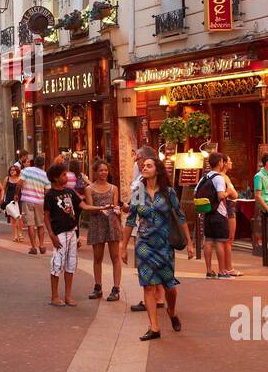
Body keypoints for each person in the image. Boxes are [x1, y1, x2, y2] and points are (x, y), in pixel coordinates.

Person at [122, 153, 192, 340]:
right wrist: (123, 247)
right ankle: (154, 327)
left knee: (170, 286)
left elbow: (181, 216)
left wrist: (190, 243)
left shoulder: (168, 193)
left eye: (149, 166)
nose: (144, 168)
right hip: (144, 244)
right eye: (143, 165)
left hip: (164, 244)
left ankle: (172, 312)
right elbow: (130, 220)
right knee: (148, 286)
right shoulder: (138, 192)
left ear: (157, 171)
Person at [129, 145, 167, 310]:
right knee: (154, 266)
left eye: (138, 159)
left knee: (148, 267)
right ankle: (157, 298)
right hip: (153, 230)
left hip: (148, 231)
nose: (137, 163)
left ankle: (153, 299)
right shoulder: (143, 181)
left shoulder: (144, 183)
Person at [81, 160, 124, 301]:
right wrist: (103, 208)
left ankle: (116, 289)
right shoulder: (89, 189)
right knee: (97, 258)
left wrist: (117, 210)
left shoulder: (114, 188)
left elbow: (116, 206)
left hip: (112, 223)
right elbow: (90, 210)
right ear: (95, 172)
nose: (104, 173)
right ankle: (98, 287)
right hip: (97, 223)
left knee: (115, 257)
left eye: (106, 170)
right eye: (101, 170)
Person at [42, 162, 83, 307]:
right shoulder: (50, 195)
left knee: (71, 264)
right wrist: (52, 235)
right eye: (63, 174)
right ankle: (54, 296)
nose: (66, 176)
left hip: (72, 232)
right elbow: (46, 216)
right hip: (59, 233)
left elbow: (82, 205)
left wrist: (100, 206)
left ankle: (68, 295)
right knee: (57, 263)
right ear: (55, 178)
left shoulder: (70, 192)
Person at [197, 152, 232, 279]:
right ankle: (222, 271)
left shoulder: (204, 177)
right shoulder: (219, 178)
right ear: (219, 163)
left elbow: (196, 192)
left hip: (207, 213)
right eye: (222, 161)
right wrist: (227, 192)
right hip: (219, 213)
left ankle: (208, 270)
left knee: (208, 241)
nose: (223, 163)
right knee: (220, 242)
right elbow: (221, 195)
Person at [19, 154, 50, 254]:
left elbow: (20, 183)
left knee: (30, 224)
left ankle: (33, 247)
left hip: (27, 199)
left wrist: (16, 194)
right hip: (40, 201)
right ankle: (41, 245)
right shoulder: (45, 175)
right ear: (43, 164)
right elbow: (47, 191)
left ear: (34, 162)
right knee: (40, 224)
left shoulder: (27, 170)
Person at [219, 155, 241, 277]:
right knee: (229, 239)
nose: (232, 162)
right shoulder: (222, 177)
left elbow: (234, 194)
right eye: (229, 160)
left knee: (227, 240)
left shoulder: (224, 176)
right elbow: (232, 194)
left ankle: (226, 267)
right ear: (224, 163)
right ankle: (228, 268)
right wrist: (231, 192)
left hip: (229, 207)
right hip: (228, 208)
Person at [3, 163, 25, 242]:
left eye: (14, 170)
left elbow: (24, 188)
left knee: (19, 217)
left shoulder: (20, 179)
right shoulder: (7, 179)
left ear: (17, 171)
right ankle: (15, 235)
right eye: (11, 170)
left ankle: (20, 233)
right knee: (12, 218)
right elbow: (3, 189)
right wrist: (2, 199)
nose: (12, 171)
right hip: (9, 200)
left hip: (18, 199)